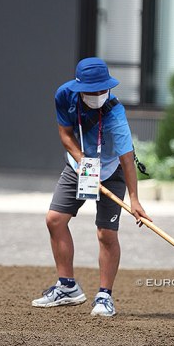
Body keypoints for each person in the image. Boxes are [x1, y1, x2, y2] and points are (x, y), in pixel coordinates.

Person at [32, 57, 151, 316]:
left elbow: (127, 159)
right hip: (80, 166)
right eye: (92, 90)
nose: (98, 94)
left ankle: (104, 296)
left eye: (102, 89)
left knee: (105, 234)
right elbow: (65, 134)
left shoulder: (114, 113)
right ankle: (67, 287)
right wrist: (84, 163)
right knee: (54, 220)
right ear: (80, 87)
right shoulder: (64, 96)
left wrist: (135, 199)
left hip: (111, 170)